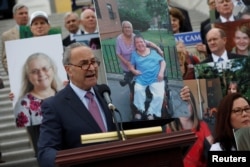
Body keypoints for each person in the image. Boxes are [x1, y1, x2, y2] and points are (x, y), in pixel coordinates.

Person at [37, 42, 192, 167]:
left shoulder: (105, 94)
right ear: (68, 70)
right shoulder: (55, 105)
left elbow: (141, 123)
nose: (91, 67)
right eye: (84, 64)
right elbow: (46, 151)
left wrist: (181, 104)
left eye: (93, 62)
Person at [14, 52, 61, 156]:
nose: (41, 74)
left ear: (52, 69)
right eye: (35, 71)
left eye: (45, 68)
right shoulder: (23, 104)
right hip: (47, 153)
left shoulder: (64, 95)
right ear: (28, 77)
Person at [166, 93, 214, 167]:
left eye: (187, 104)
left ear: (193, 105)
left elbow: (214, 145)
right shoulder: (169, 130)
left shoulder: (202, 125)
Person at [116, 20, 163, 89]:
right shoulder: (119, 39)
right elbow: (118, 53)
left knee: (138, 78)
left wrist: (158, 48)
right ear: (122, 29)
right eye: (125, 27)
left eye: (129, 27)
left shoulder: (135, 37)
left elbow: (147, 43)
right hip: (126, 64)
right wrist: (127, 63)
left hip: (137, 62)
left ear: (132, 29)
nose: (127, 29)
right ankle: (131, 90)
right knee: (130, 80)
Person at [129, 35, 166, 120]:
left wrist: (161, 72)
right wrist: (134, 71)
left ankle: (151, 112)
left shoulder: (153, 52)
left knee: (159, 96)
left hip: (156, 78)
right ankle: (140, 110)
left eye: (141, 42)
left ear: (145, 43)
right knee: (138, 90)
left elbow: (162, 62)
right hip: (141, 78)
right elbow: (131, 66)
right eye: (137, 42)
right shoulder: (134, 54)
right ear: (135, 45)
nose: (139, 44)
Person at [1, 3, 29, 74]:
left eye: (26, 13)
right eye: (21, 13)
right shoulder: (7, 35)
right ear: (14, 16)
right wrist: (13, 73)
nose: (24, 15)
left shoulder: (36, 30)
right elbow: (5, 59)